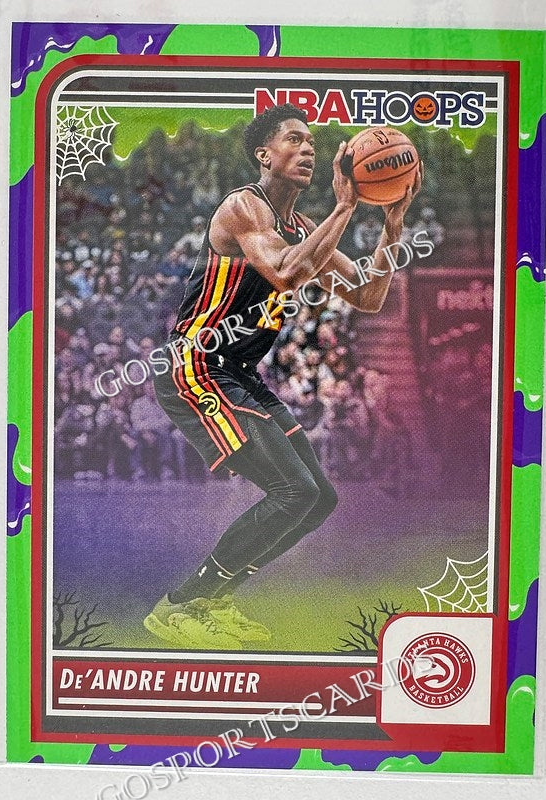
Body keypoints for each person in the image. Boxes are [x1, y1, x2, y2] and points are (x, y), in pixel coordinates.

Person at [144, 104, 421, 648]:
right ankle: (179, 605)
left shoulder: (304, 228)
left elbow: (369, 296)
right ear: (263, 154)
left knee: (318, 498)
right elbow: (286, 270)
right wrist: (346, 207)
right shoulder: (243, 206)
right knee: (292, 491)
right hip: (197, 364)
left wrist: (392, 227)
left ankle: (214, 601)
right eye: (294, 138)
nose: (309, 148)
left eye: (312, 140)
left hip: (238, 371)